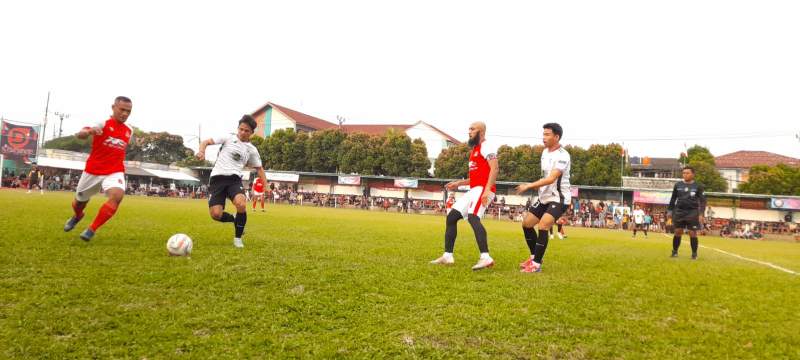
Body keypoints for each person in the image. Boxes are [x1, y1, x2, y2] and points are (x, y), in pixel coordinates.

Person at [430, 122, 499, 271]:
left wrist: (487, 190)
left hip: (483, 189)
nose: (469, 132)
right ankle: (447, 256)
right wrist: (459, 183)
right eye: (469, 129)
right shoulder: (475, 150)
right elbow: (476, 177)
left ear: (481, 132)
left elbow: (495, 168)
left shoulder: (486, 146)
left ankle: (485, 257)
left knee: (474, 217)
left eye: (472, 129)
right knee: (452, 217)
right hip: (475, 188)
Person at [63, 96, 134, 241]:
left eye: (128, 111)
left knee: (117, 196)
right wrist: (87, 132)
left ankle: (91, 229)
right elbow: (84, 132)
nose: (125, 114)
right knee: (79, 202)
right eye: (122, 109)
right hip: (93, 170)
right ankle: (77, 216)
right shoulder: (102, 123)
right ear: (113, 107)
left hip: (115, 170)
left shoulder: (129, 130)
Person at [196, 115, 267, 248]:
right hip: (217, 179)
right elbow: (205, 142)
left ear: (252, 133)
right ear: (238, 128)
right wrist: (201, 152)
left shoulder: (251, 149)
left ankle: (238, 238)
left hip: (234, 179)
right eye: (241, 129)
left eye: (247, 131)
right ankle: (235, 218)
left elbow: (259, 168)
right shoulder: (228, 138)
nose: (243, 132)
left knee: (241, 204)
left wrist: (266, 186)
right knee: (216, 214)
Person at [515, 123, 570, 273]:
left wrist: (528, 186)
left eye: (547, 134)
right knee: (526, 224)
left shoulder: (563, 155)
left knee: (543, 225)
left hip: (559, 198)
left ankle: (536, 265)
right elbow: (545, 176)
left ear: (556, 137)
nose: (543, 137)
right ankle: (534, 257)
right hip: (544, 197)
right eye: (543, 134)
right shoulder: (545, 152)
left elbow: (552, 178)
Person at [667, 166, 706, 259]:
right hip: (679, 211)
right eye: (684, 173)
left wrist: (701, 214)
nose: (685, 175)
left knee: (692, 233)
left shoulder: (698, 186)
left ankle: (694, 254)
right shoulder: (678, 185)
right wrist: (670, 210)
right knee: (677, 231)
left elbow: (703, 201)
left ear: (693, 174)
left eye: (687, 173)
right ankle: (675, 252)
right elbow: (673, 199)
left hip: (692, 212)